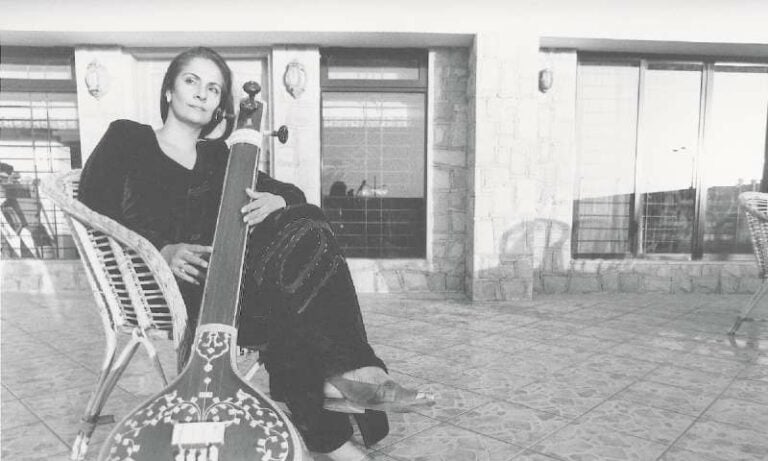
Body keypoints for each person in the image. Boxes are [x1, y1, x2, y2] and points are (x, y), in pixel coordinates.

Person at [77, 46, 433, 461]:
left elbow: (291, 193)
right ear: (169, 90)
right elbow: (92, 205)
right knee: (291, 304)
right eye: (191, 80)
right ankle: (339, 401)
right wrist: (160, 249)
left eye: (213, 88)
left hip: (233, 282)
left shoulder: (219, 157)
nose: (201, 93)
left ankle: (342, 384)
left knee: (307, 221)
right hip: (167, 285)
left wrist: (274, 202)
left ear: (218, 106)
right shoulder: (128, 137)